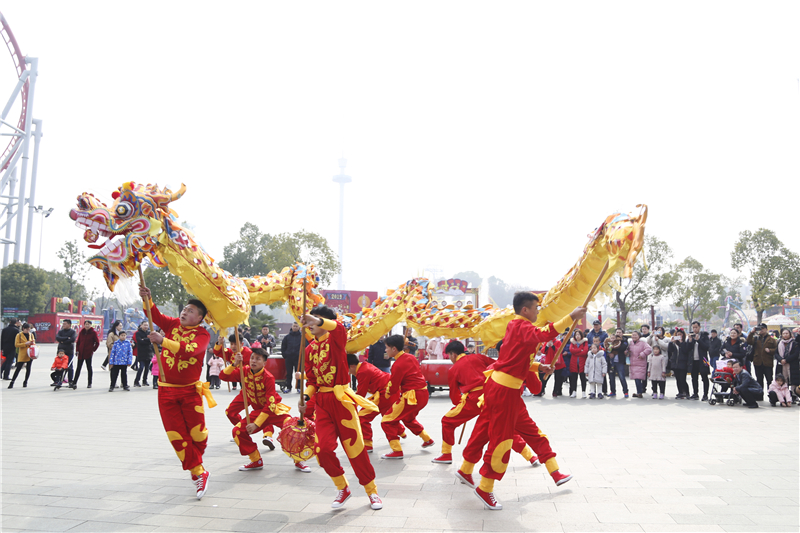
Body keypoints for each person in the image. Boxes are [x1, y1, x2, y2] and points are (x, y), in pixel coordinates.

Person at [469, 292, 582, 510]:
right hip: (503, 392)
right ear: (525, 310)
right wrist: (571, 317)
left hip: (509, 392)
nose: (538, 312)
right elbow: (544, 334)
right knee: (502, 441)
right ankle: (485, 487)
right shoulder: (521, 326)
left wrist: (539, 367)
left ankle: (555, 471)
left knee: (532, 431)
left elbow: (515, 359)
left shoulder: (516, 326)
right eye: (536, 308)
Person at [299, 306, 382, 510]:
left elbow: (338, 328)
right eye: (311, 319)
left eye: (317, 320)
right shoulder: (309, 350)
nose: (312, 323)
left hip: (342, 401)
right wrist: (305, 396)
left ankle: (372, 491)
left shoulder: (336, 339)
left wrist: (316, 320)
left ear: (325, 322)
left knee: (355, 449)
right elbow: (312, 381)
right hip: (322, 404)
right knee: (322, 449)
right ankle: (342, 488)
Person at [139, 284, 213, 499]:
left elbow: (192, 350)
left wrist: (163, 341)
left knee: (198, 435)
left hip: (190, 391)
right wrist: (147, 298)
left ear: (199, 318)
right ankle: (198, 472)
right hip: (166, 392)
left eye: (191, 311)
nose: (185, 312)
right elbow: (154, 315)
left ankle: (194, 459)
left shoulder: (202, 335)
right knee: (176, 436)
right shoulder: (171, 324)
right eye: (185, 309)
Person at [221, 348, 310, 473]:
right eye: (252, 358)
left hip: (274, 411)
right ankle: (255, 460)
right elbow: (223, 376)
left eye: (258, 359)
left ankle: (299, 460)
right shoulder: (244, 371)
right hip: (258, 411)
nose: (254, 361)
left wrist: (256, 424)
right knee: (237, 431)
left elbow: (270, 405)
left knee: (292, 429)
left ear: (264, 363)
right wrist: (234, 364)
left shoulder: (269, 377)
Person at [380, 334, 434, 459]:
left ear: (394, 349)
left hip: (411, 396)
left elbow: (393, 386)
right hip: (423, 394)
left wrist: (387, 394)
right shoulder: (410, 357)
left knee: (387, 421)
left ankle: (397, 451)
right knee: (408, 418)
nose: (385, 350)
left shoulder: (397, 364)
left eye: (387, 347)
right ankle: (427, 439)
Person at [346, 353, 403, 454]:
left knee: (363, 417)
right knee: (387, 415)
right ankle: (401, 431)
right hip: (389, 391)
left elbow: (360, 394)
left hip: (384, 394)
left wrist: (349, 405)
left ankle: (368, 444)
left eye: (347, 369)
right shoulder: (364, 366)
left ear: (352, 366)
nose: (348, 372)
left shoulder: (362, 371)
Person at [748, 324, 778, 390]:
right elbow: (749, 341)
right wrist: (752, 332)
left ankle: (770, 394)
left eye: (762, 328)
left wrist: (770, 350)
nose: (761, 330)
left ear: (766, 329)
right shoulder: (756, 338)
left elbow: (776, 349)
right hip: (757, 361)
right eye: (759, 329)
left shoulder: (772, 339)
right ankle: (759, 394)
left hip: (768, 362)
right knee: (759, 379)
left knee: (769, 379)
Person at [686, 322, 710, 400]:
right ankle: (695, 393)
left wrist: (699, 340)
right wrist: (690, 341)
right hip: (693, 360)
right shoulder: (691, 336)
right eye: (693, 327)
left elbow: (706, 347)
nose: (695, 329)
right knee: (694, 378)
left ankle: (705, 394)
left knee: (704, 377)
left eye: (696, 327)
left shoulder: (704, 336)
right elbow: (687, 349)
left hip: (703, 360)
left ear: (699, 327)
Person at [71, 321, 100, 389]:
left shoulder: (93, 333)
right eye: (86, 324)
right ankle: (74, 382)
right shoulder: (82, 332)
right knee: (78, 368)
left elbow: (97, 342)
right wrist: (77, 350)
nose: (87, 326)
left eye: (88, 324)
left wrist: (93, 349)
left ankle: (89, 383)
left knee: (89, 368)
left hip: (88, 353)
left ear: (90, 325)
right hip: (81, 353)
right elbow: (78, 342)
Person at [9, 322, 35, 388]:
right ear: (23, 328)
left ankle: (25, 381)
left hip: (30, 353)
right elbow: (16, 344)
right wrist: (25, 343)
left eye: (29, 329)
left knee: (28, 369)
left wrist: (32, 343)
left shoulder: (31, 335)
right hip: (22, 353)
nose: (28, 331)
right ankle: (12, 382)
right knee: (18, 368)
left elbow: (33, 343)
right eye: (27, 329)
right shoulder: (19, 335)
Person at [626, 331, 652, 398]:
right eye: (633, 335)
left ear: (639, 336)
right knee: (636, 378)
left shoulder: (643, 343)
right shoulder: (630, 343)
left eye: (635, 335)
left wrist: (642, 354)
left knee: (638, 378)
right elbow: (627, 350)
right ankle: (639, 391)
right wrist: (626, 352)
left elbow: (649, 349)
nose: (634, 336)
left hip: (640, 363)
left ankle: (639, 392)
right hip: (632, 363)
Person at [776, 328, 798, 396]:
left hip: (792, 364)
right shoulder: (779, 343)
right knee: (783, 379)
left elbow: (796, 354)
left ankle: (793, 395)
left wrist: (786, 360)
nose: (785, 335)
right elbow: (776, 353)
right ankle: (784, 394)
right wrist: (781, 359)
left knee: (793, 380)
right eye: (783, 333)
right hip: (781, 365)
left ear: (790, 334)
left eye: (787, 333)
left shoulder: (794, 343)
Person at [607, 328, 629, 398]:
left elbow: (622, 348)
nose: (618, 333)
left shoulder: (624, 340)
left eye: (620, 332)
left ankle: (625, 392)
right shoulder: (611, 339)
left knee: (622, 377)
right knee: (611, 377)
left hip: (619, 362)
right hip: (611, 362)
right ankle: (613, 391)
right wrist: (609, 352)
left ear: (622, 333)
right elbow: (606, 347)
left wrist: (612, 348)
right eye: (617, 332)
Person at [280, 322, 302, 393]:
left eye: (296, 326)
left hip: (298, 358)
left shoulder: (302, 337)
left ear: (299, 327)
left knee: (298, 373)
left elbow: (306, 347)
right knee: (288, 373)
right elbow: (283, 347)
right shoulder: (287, 337)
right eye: (294, 326)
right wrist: (285, 355)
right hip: (289, 358)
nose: (295, 327)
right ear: (291, 327)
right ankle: (288, 387)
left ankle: (299, 387)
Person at [567, 330, 589, 398]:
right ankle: (574, 391)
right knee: (574, 378)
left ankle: (583, 392)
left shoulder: (585, 342)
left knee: (583, 378)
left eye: (579, 334)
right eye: (576, 334)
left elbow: (585, 351)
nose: (577, 336)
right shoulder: (572, 342)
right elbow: (571, 350)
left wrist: (576, 351)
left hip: (582, 362)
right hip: (574, 362)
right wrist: (580, 349)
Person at [670, 330, 691, 399]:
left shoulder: (685, 342)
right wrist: (671, 342)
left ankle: (687, 392)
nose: (679, 336)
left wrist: (681, 342)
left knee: (683, 379)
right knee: (678, 379)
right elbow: (670, 350)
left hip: (683, 363)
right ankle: (680, 392)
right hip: (675, 363)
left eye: (680, 334)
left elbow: (685, 350)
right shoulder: (674, 343)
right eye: (677, 334)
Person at [55, 319, 77, 384]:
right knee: (59, 366)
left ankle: (70, 380)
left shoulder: (73, 332)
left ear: (69, 324)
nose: (63, 325)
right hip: (60, 352)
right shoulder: (61, 331)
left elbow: (72, 339)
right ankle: (58, 380)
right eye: (63, 324)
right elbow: (57, 338)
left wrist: (62, 341)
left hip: (69, 351)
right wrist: (67, 338)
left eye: (65, 324)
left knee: (69, 366)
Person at [134, 321, 155, 387]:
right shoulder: (138, 333)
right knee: (141, 367)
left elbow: (151, 340)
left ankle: (144, 381)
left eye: (147, 325)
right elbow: (139, 341)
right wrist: (147, 340)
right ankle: (136, 381)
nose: (146, 326)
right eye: (144, 325)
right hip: (141, 353)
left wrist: (144, 340)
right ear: (141, 325)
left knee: (147, 368)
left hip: (148, 352)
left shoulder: (149, 333)